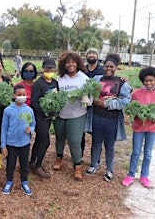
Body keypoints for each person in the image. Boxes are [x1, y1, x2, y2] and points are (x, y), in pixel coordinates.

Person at [85, 53, 132, 182]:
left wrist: (106, 103)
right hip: (96, 116)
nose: (108, 69)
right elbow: (87, 91)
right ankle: (94, 164)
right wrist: (92, 100)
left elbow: (125, 101)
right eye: (106, 66)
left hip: (112, 119)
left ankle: (109, 169)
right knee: (96, 142)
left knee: (110, 145)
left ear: (116, 67)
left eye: (111, 66)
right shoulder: (96, 79)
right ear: (103, 66)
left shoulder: (122, 83)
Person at [122, 67, 155, 188]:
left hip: (153, 129)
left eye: (151, 80)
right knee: (136, 152)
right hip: (138, 128)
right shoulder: (136, 94)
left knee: (148, 153)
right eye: (146, 80)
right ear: (143, 80)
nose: (148, 83)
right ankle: (131, 175)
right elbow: (131, 109)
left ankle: (144, 175)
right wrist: (136, 114)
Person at [52, 52, 91, 180]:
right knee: (60, 137)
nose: (70, 64)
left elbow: (90, 97)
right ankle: (59, 159)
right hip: (61, 113)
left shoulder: (84, 78)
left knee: (74, 141)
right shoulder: (61, 79)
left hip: (77, 114)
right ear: (64, 65)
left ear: (78, 63)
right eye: (67, 62)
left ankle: (77, 166)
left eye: (73, 62)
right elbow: (55, 94)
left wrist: (86, 98)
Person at [1, 84, 36, 195]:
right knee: (10, 164)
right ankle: (9, 181)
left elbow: (33, 124)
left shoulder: (29, 110)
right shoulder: (8, 110)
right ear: (14, 96)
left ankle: (24, 181)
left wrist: (31, 129)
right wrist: (3, 145)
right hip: (11, 143)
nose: (21, 96)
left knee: (24, 163)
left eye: (24, 95)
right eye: (19, 94)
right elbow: (4, 127)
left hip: (24, 142)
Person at [29, 58, 58, 179]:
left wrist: (55, 109)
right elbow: (34, 102)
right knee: (45, 142)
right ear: (43, 69)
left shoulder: (55, 83)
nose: (49, 70)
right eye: (47, 68)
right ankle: (38, 165)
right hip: (40, 117)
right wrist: (44, 111)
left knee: (39, 141)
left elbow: (58, 98)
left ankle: (31, 163)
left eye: (52, 68)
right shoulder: (39, 83)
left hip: (49, 117)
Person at [80, 47, 105, 159]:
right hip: (83, 104)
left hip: (97, 105)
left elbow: (111, 81)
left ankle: (95, 160)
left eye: (94, 53)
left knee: (96, 133)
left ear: (97, 56)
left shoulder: (102, 70)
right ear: (86, 56)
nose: (91, 55)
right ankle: (79, 156)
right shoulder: (82, 70)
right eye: (89, 53)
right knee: (81, 131)